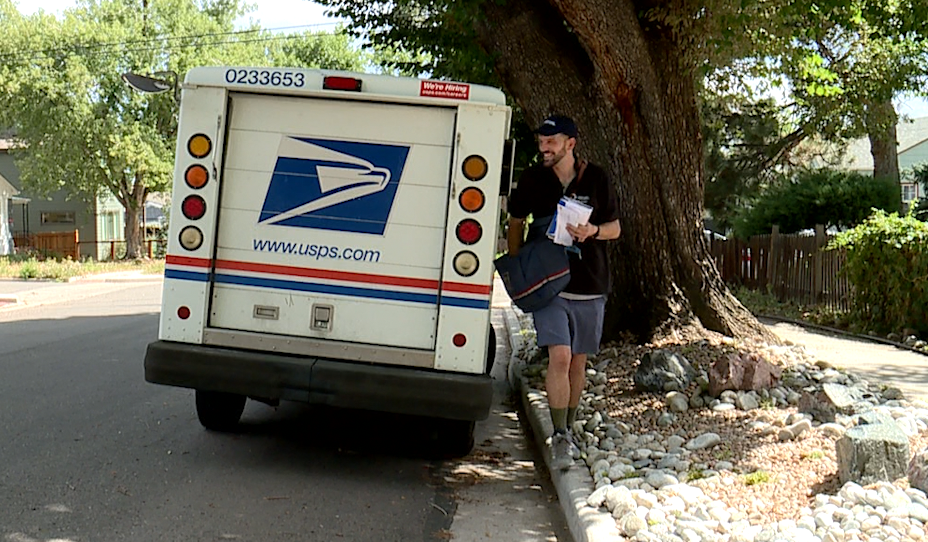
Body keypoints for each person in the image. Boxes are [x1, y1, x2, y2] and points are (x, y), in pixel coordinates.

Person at [506, 115, 621, 470]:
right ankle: (559, 435)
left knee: (577, 361)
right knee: (559, 356)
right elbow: (514, 220)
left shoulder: (597, 178)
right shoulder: (532, 178)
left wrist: (593, 232)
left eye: (551, 141)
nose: (543, 147)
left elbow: (615, 228)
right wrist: (516, 264)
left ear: (571, 143)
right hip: (548, 284)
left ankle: (568, 425)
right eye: (541, 141)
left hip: (589, 283)